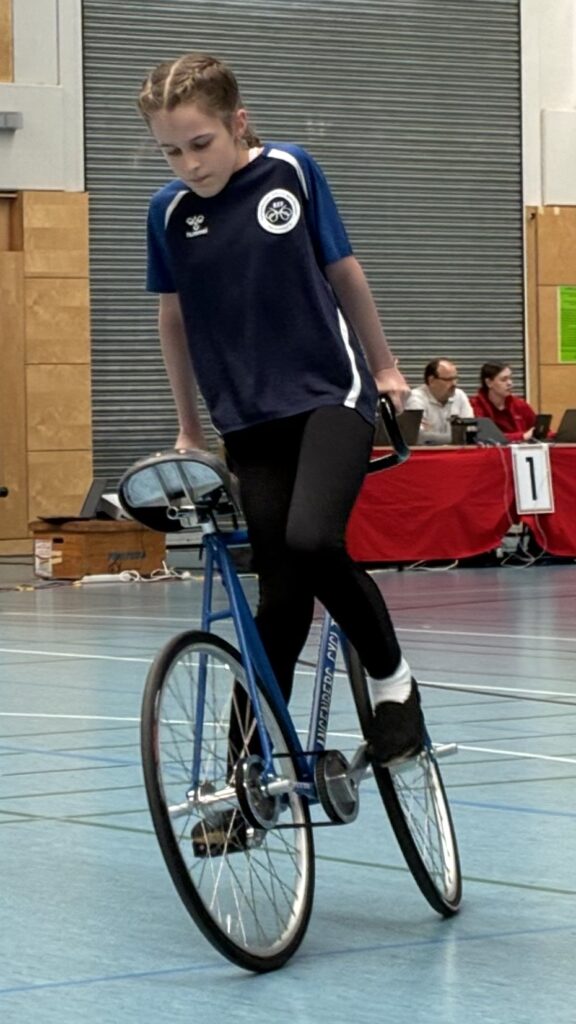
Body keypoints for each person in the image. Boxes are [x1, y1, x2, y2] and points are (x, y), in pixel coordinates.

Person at [137, 52, 425, 775]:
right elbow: (174, 321)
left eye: (200, 143)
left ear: (238, 123)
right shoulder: (168, 213)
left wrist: (385, 366)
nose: (189, 164)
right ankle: (249, 774)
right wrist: (190, 429)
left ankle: (395, 688)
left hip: (332, 394)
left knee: (311, 539)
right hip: (248, 421)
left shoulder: (290, 172)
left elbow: (343, 271)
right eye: (170, 151)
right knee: (282, 599)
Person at [405, 358, 474, 442]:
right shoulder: (415, 398)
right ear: (431, 380)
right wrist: (457, 438)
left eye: (455, 378)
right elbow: (419, 437)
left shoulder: (460, 396)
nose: (454, 384)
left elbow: (470, 429)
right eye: (448, 380)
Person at [471, 362, 536, 441]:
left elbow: (539, 430)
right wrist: (522, 436)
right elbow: (485, 437)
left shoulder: (520, 405)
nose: (510, 383)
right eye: (504, 380)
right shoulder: (475, 406)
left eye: (510, 378)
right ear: (489, 383)